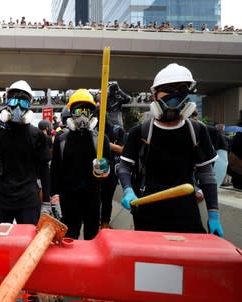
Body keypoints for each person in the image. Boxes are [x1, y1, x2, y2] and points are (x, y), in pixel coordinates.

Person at [118, 63, 224, 237]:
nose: (175, 96)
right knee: (150, 261)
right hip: (148, 211)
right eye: (168, 89)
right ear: (154, 96)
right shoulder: (141, 132)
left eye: (182, 90)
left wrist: (213, 214)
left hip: (186, 212)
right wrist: (128, 190)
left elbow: (206, 174)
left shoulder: (197, 131)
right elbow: (124, 167)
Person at [0, 80, 51, 225]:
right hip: (1, 200)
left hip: (28, 202)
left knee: (28, 243)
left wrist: (46, 202)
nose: (18, 107)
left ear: (29, 105)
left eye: (23, 103)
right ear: (7, 102)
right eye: (13, 101)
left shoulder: (38, 136)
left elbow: (45, 169)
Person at [50, 89, 111, 240]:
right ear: (71, 113)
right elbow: (55, 171)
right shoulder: (61, 140)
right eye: (78, 111)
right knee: (70, 238)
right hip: (68, 200)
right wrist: (52, 198)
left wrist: (105, 169)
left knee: (92, 238)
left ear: (92, 113)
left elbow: (109, 178)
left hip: (93, 198)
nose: (82, 116)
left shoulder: (102, 140)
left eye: (86, 111)